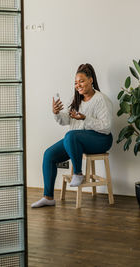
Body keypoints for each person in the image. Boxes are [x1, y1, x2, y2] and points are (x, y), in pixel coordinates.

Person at [31, 63, 113, 208]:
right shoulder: (76, 99)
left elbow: (106, 126)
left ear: (91, 80)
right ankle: (48, 197)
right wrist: (56, 112)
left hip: (101, 139)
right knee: (49, 154)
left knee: (71, 135)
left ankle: (78, 173)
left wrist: (84, 118)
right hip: (76, 139)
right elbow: (65, 121)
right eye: (76, 82)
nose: (78, 85)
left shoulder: (101, 99)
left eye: (81, 81)